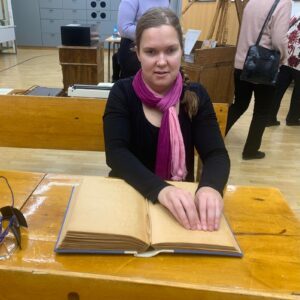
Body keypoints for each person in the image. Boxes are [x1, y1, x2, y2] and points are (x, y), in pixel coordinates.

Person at [104, 8, 230, 232]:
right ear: (138, 54)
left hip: (181, 206)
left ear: (182, 50)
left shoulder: (196, 95)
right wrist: (161, 190)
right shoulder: (122, 93)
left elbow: (216, 154)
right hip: (128, 195)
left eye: (170, 50)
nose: (161, 61)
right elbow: (117, 154)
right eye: (151, 52)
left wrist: (210, 187)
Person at [225, 0, 292, 160]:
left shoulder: (252, 1)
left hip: (242, 62)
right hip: (264, 66)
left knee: (239, 105)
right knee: (262, 111)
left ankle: (214, 137)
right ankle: (250, 151)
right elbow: (278, 40)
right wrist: (283, 57)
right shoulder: (283, 3)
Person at [117, 0, 170, 79]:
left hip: (158, 47)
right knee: (132, 85)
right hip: (133, 50)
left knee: (156, 82)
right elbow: (124, 29)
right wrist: (154, 33)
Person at [267, 15, 300, 127]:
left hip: (287, 58)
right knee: (298, 94)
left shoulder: (296, 17)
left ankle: (269, 118)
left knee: (278, 90)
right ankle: (292, 119)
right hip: (298, 63)